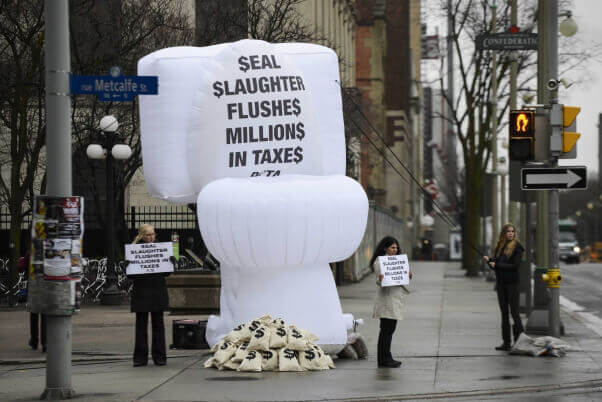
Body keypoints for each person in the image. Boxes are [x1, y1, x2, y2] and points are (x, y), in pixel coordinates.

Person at [128, 224, 170, 366]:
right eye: (148, 235)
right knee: (141, 325)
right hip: (142, 291)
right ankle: (140, 358)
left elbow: (167, 273)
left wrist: (170, 264)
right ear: (142, 236)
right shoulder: (134, 250)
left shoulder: (161, 248)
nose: (151, 237)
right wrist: (127, 266)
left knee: (158, 324)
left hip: (157, 290)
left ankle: (160, 357)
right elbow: (130, 275)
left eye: (153, 234)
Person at [370, 236, 413, 368]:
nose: (395, 249)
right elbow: (379, 281)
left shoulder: (398, 261)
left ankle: (386, 357)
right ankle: (383, 359)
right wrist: (381, 279)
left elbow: (400, 279)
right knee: (386, 330)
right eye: (392, 247)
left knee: (389, 330)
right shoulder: (379, 262)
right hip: (386, 301)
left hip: (394, 299)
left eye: (396, 247)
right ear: (385, 248)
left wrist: (408, 276)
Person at [483, 223, 525, 351]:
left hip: (512, 283)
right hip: (501, 284)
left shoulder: (518, 247)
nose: (511, 233)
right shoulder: (500, 247)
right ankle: (506, 342)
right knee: (504, 313)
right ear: (503, 233)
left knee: (514, 312)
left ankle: (520, 342)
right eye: (508, 231)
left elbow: (514, 266)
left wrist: (496, 265)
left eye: (512, 231)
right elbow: (497, 263)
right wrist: (489, 261)